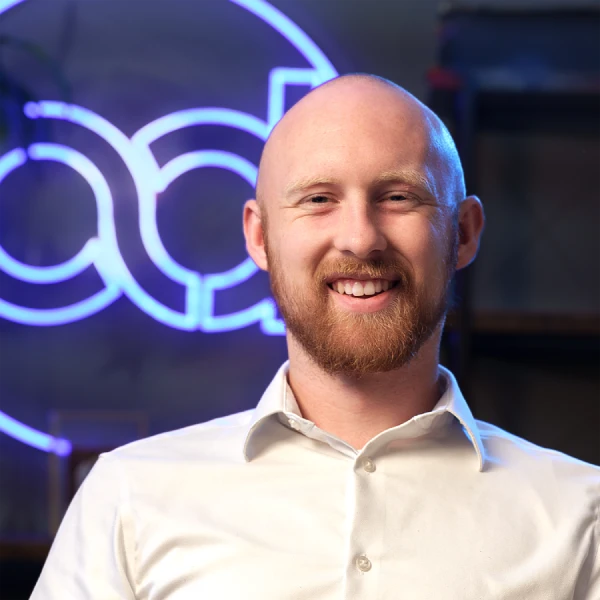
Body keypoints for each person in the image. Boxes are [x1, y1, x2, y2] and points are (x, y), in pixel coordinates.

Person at [31, 75, 600, 599]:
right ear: (260, 236)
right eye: (319, 199)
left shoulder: (581, 516)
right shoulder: (130, 498)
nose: (360, 239)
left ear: (465, 232)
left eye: (398, 197)